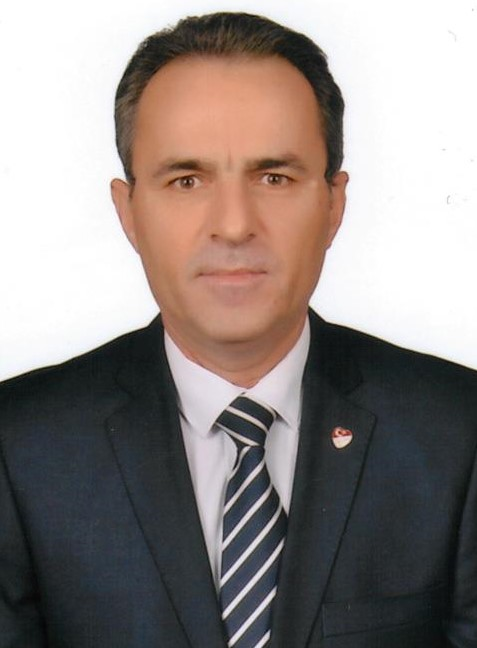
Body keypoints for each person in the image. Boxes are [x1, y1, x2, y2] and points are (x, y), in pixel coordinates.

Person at [0, 11, 476, 648]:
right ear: (129, 211)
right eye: (186, 180)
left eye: (274, 177)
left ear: (333, 205)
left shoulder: (458, 433)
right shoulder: (19, 447)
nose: (232, 224)